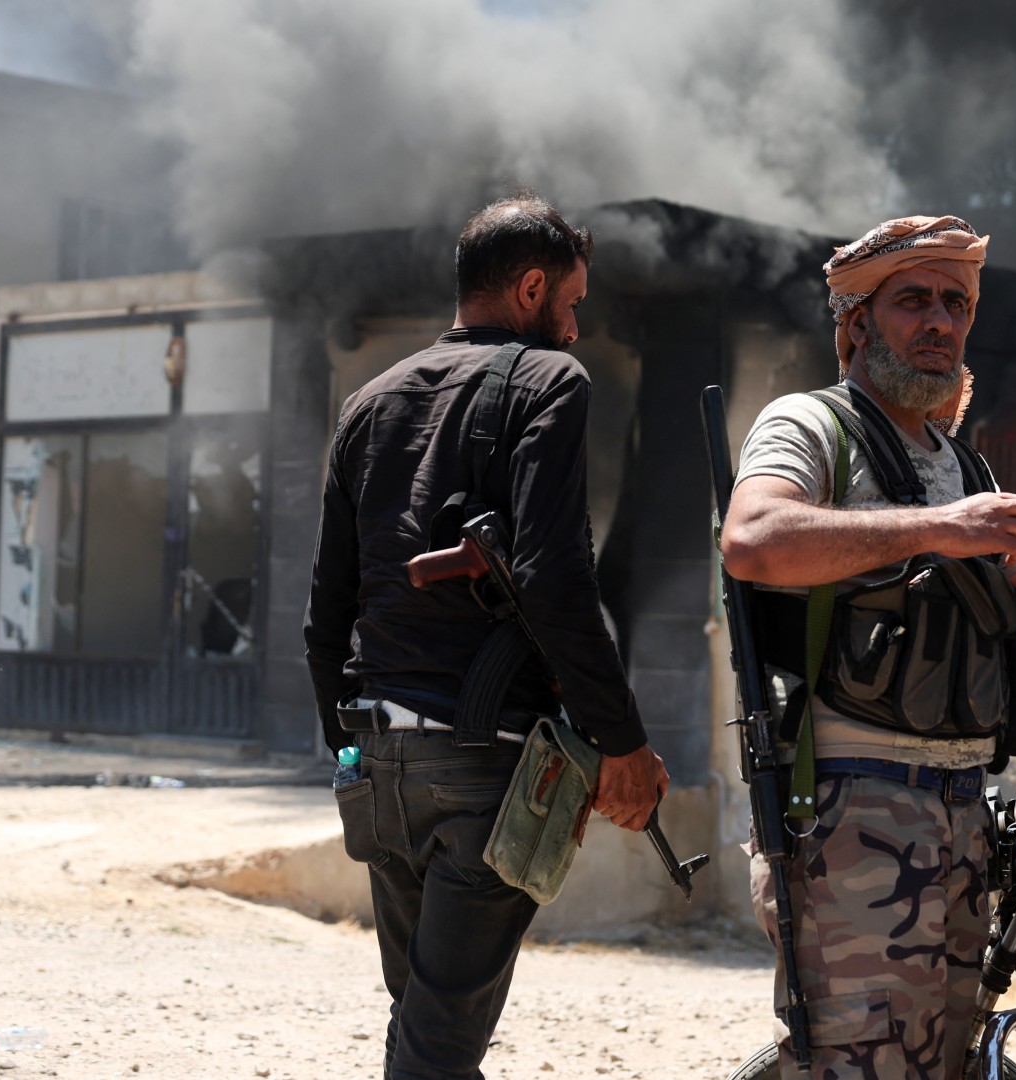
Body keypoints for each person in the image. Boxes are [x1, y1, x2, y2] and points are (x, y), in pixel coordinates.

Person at [720, 215, 1016, 1079]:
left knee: (945, 1064)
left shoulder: (969, 470)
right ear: (860, 322)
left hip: (965, 815)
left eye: (956, 304)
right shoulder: (813, 425)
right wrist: (941, 527)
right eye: (913, 301)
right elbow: (752, 539)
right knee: (860, 1064)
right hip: (852, 810)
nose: (939, 321)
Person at [304, 193, 670, 1080]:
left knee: (425, 1031)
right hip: (483, 768)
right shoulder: (551, 381)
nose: (577, 329)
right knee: (434, 1048)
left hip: (375, 763)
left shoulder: (368, 401)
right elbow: (553, 576)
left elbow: (327, 608)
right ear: (533, 287)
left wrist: (348, 748)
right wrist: (620, 741)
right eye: (573, 304)